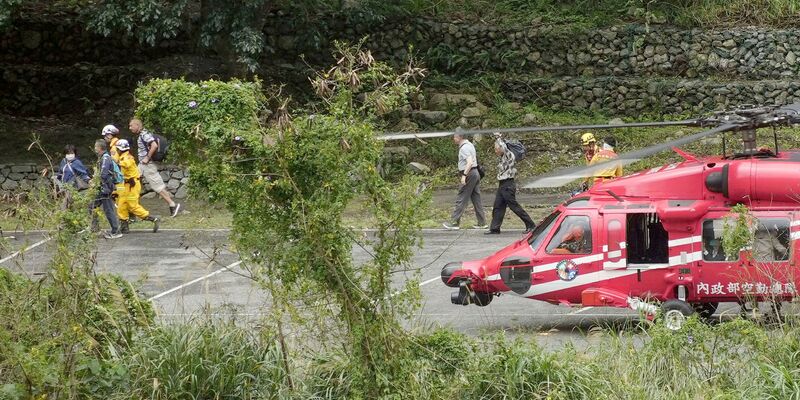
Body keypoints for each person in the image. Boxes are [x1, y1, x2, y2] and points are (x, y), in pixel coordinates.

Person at [129, 118, 181, 217]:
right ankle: (132, 208)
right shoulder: (143, 134)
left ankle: (173, 205)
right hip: (142, 165)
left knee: (157, 186)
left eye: (131, 125)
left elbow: (154, 145)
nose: (130, 128)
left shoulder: (144, 134)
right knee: (132, 182)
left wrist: (147, 158)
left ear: (137, 125)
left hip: (147, 165)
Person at [485, 133, 535, 234]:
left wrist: (498, 137)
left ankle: (531, 225)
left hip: (508, 185)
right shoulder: (503, 157)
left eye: (496, 149)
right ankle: (495, 228)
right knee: (498, 206)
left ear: (501, 148)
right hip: (502, 184)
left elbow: (503, 146)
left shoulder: (508, 155)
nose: (495, 151)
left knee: (514, 206)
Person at [443, 130, 486, 230]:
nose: (454, 139)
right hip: (475, 173)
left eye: (455, 137)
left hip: (469, 174)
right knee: (476, 199)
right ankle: (482, 222)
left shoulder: (464, 148)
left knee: (461, 197)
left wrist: (464, 175)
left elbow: (469, 162)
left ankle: (454, 222)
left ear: (460, 137)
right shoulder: (470, 145)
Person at [114, 139, 160, 233]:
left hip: (133, 185)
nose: (117, 151)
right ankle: (124, 226)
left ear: (120, 149)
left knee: (132, 206)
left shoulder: (127, 158)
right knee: (122, 204)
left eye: (117, 149)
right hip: (126, 185)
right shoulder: (123, 157)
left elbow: (126, 164)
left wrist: (115, 162)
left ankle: (152, 218)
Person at [90, 139, 122, 239]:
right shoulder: (102, 158)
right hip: (101, 187)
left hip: (105, 188)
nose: (95, 148)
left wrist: (95, 182)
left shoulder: (105, 158)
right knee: (92, 206)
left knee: (108, 209)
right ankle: (95, 229)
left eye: (96, 146)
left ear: (100, 148)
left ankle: (116, 231)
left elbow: (103, 174)